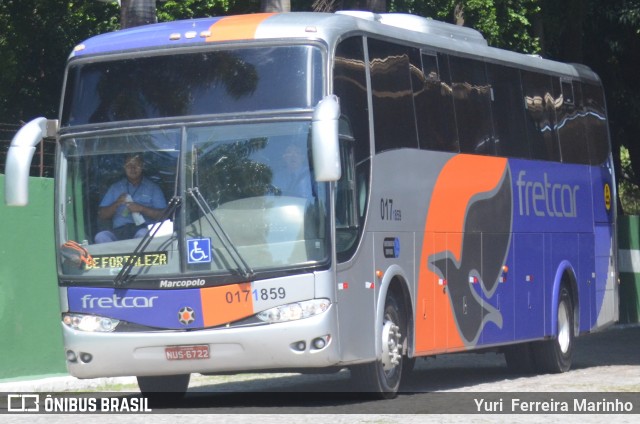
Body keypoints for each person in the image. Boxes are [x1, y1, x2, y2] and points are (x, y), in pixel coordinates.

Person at [94, 154, 167, 243]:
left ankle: (138, 257)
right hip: (119, 231)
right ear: (124, 167)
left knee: (143, 234)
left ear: (142, 166)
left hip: (143, 229)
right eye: (129, 165)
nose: (132, 168)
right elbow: (102, 215)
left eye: (136, 165)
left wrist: (142, 208)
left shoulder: (153, 188)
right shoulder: (116, 187)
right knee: (101, 236)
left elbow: (163, 215)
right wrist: (116, 203)